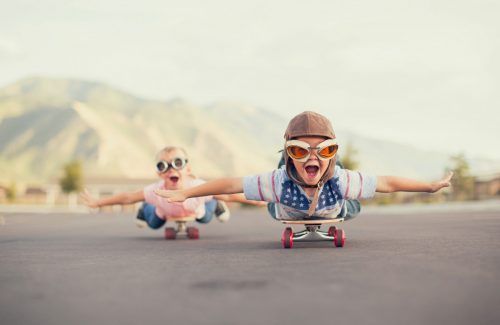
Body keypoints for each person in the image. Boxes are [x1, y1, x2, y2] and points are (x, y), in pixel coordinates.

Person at [154, 111, 453, 222]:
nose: (312, 157)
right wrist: (187, 193)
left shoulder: (343, 182)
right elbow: (231, 184)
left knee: (350, 199)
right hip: (285, 205)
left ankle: (326, 160)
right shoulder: (276, 183)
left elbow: (387, 183)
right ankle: (291, 160)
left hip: (334, 205)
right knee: (276, 190)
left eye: (324, 150)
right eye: (299, 149)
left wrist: (428, 186)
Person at [80, 146, 262, 229]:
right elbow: (128, 197)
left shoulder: (198, 187)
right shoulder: (155, 191)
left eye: (177, 163)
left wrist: (259, 200)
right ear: (159, 173)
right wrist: (98, 203)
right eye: (163, 166)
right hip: (164, 212)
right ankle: (145, 209)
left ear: (188, 169)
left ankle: (215, 204)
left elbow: (230, 195)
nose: (171, 169)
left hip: (196, 209)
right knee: (153, 223)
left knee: (206, 216)